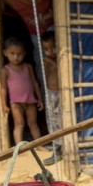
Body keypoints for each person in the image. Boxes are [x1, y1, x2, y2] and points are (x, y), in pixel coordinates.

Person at [2, 0, 54, 77]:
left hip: (54, 27)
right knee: (41, 62)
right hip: (35, 33)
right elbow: (4, 12)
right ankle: (47, 92)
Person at [0, 36, 44, 145]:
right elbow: (3, 88)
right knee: (19, 124)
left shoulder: (27, 67)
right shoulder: (5, 70)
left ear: (24, 53)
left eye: (19, 54)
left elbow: (34, 83)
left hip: (30, 101)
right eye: (12, 53)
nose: (16, 57)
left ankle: (39, 145)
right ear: (5, 53)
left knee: (33, 124)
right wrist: (4, 104)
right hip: (16, 103)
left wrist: (40, 99)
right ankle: (19, 148)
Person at [40, 30, 63, 161]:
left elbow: (59, 70)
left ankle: (62, 148)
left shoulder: (61, 59)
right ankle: (57, 148)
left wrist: (51, 62)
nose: (50, 52)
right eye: (46, 49)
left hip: (61, 94)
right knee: (53, 121)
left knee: (61, 120)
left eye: (53, 47)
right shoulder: (46, 61)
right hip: (50, 93)